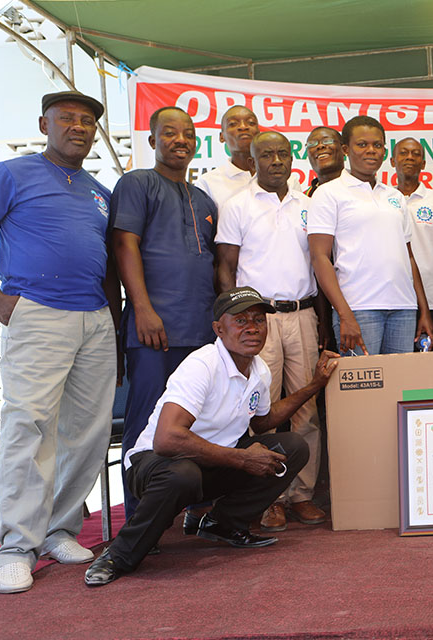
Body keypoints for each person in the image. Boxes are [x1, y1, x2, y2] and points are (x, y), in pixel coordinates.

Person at [83, 287, 340, 586]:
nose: (252, 328)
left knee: (292, 447)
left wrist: (315, 384)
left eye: (259, 320)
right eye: (241, 321)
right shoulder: (201, 365)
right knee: (183, 474)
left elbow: (263, 422)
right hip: (154, 465)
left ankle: (222, 524)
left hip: (211, 462)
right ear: (219, 329)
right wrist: (243, 459)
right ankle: (119, 555)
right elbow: (166, 440)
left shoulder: (258, 369)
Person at [0, 91, 120, 595]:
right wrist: (0, 302)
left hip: (94, 318)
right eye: (67, 118)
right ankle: (14, 546)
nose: (78, 127)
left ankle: (59, 529)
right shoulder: (12, 172)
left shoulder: (99, 191)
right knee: (30, 426)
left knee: (86, 434)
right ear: (43, 122)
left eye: (87, 120)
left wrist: (113, 318)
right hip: (38, 314)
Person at [110, 106, 218, 521]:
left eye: (188, 133)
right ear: (152, 140)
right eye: (169, 133)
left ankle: (196, 512)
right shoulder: (138, 183)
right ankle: (140, 517)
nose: (180, 140)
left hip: (201, 333)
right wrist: (142, 308)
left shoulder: (205, 199)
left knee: (200, 424)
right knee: (145, 425)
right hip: (154, 329)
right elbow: (124, 245)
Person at [216, 132, 327, 532]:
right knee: (258, 412)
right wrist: (236, 322)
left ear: (291, 158)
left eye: (283, 153)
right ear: (252, 160)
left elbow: (320, 263)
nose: (276, 160)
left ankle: (302, 496)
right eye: (267, 154)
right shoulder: (236, 205)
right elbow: (225, 266)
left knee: (306, 411)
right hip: (256, 320)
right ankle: (268, 499)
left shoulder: (308, 205)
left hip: (302, 314)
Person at [308, 115, 433, 355]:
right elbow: (319, 258)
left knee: (400, 388)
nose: (371, 151)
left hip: (403, 309)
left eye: (377, 145)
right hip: (358, 309)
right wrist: (344, 314)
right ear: (345, 149)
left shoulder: (394, 197)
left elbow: (408, 258)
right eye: (362, 144)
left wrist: (423, 311)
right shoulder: (328, 193)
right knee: (362, 391)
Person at [391, 137, 433, 350]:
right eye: (403, 153)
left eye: (416, 154)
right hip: (396, 300)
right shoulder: (383, 201)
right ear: (392, 161)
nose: (410, 157)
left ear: (424, 164)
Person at [194, 105, 299, 209]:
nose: (243, 127)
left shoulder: (289, 180)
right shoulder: (207, 183)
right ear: (222, 137)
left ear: (258, 133)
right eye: (233, 124)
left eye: (251, 123)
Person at [304, 126, 345, 196]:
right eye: (312, 144)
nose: (320, 146)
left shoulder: (363, 188)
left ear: (344, 149)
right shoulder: (304, 199)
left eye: (327, 141)